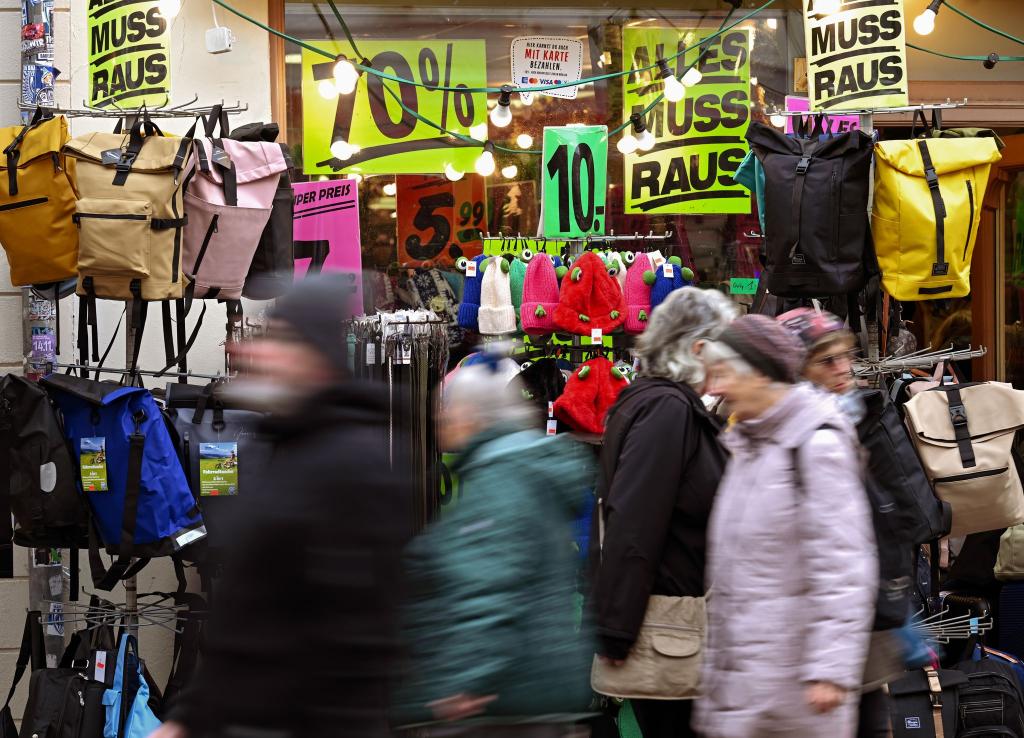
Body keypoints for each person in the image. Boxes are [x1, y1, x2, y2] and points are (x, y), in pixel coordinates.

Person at [149, 274, 412, 738]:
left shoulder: (351, 462)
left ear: (315, 359)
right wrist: (191, 716)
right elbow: (249, 610)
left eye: (282, 341)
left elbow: (356, 633)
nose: (258, 354)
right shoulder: (289, 448)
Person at [695, 314, 877, 738]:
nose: (713, 388)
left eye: (723, 374)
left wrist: (830, 669)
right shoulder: (749, 446)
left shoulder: (815, 444)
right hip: (746, 692)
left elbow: (845, 565)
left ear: (759, 374)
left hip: (795, 697)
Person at [393, 356, 594, 737]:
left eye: (447, 407)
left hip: (503, 701)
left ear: (472, 414)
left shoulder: (500, 480)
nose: (440, 417)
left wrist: (463, 680)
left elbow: (489, 589)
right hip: (535, 689)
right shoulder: (518, 468)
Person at [588, 287, 737, 738]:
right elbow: (634, 522)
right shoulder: (666, 410)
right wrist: (616, 630)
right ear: (697, 349)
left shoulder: (659, 404)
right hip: (670, 636)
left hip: (676, 631)